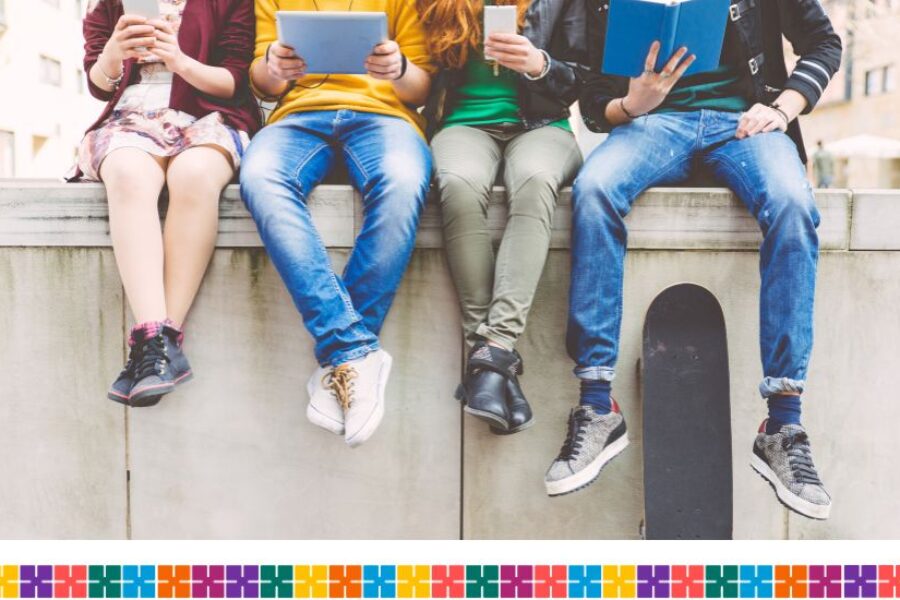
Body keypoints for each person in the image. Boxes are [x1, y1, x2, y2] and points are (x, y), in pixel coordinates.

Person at [545, 0, 841, 521]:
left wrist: (782, 108)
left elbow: (824, 43)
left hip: (747, 127)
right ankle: (596, 405)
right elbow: (595, 105)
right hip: (654, 126)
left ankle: (783, 423)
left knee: (794, 207)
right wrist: (634, 103)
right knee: (593, 191)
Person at [240, 0, 435, 448]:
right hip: (297, 117)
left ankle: (340, 361)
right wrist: (274, 66)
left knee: (403, 182)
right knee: (261, 177)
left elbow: (421, 88)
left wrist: (398, 67)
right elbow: (263, 86)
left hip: (385, 118)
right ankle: (354, 351)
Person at [78, 0, 260, 407]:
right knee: (126, 173)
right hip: (130, 118)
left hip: (208, 114)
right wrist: (114, 52)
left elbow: (235, 80)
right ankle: (155, 342)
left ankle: (159, 343)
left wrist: (178, 60)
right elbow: (97, 83)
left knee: (194, 175)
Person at [419, 0, 586, 435]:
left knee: (534, 181)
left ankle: (492, 348)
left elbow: (583, 79)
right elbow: (419, 74)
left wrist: (539, 65)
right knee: (456, 184)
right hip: (461, 124)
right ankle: (493, 362)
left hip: (543, 126)